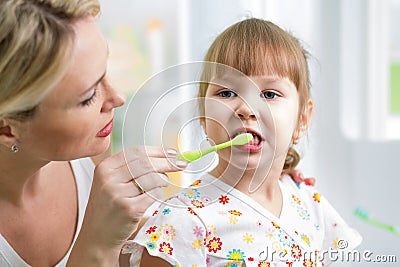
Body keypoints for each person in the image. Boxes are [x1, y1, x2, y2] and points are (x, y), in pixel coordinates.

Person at [126, 18, 362, 266]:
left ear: (302, 119)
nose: (246, 108)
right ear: (204, 115)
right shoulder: (181, 220)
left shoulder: (308, 201)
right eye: (226, 93)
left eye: (269, 94)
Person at [0, 1, 188, 266]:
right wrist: (98, 243)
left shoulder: (90, 157)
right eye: (88, 97)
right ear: (6, 129)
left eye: (105, 72)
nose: (117, 97)